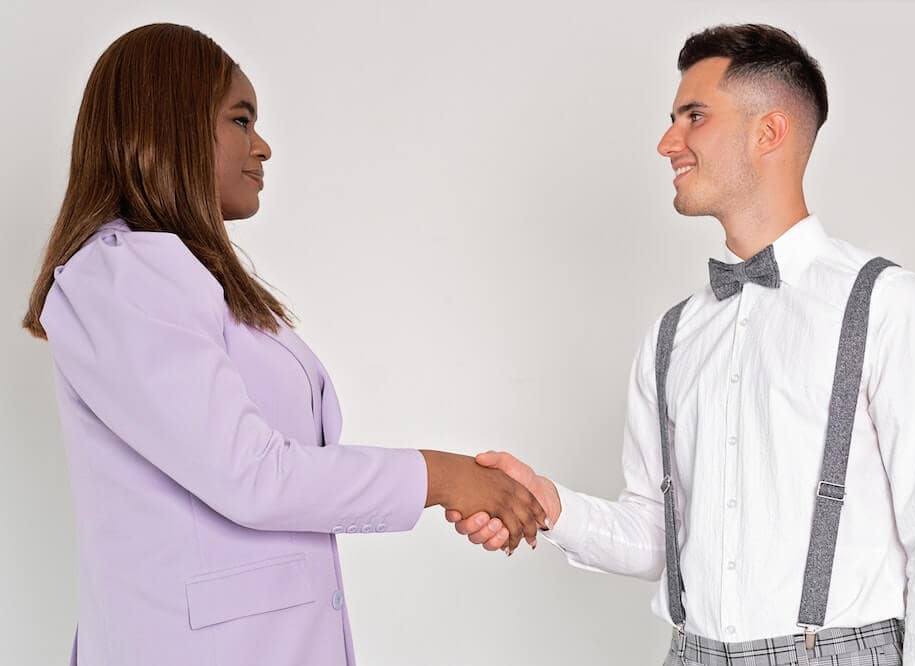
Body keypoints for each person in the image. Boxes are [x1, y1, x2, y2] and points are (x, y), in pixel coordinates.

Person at [449, 23, 915, 665]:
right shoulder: (673, 336)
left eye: (694, 116)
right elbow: (658, 537)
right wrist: (548, 504)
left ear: (770, 132)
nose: (667, 142)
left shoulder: (886, 305)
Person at [21, 23, 546, 666]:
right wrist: (440, 477)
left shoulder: (187, 278)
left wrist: (460, 484)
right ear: (170, 127)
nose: (262, 146)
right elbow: (251, 474)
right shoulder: (123, 274)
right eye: (241, 119)